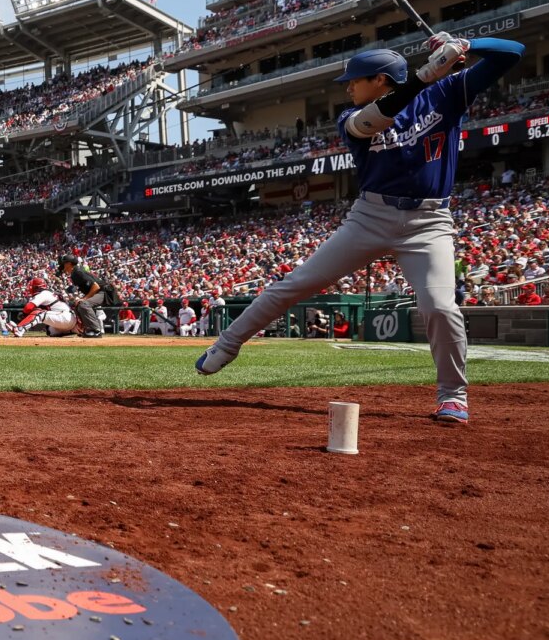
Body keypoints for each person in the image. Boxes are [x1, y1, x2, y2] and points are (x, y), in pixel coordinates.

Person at [196, 32, 525, 425]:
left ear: (381, 79)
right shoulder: (350, 118)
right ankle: (227, 345)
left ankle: (453, 396)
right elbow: (375, 119)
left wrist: (467, 44)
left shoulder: (448, 92)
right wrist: (427, 73)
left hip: (429, 222)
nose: (349, 87)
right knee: (296, 284)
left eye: (356, 80)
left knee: (439, 305)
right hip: (370, 216)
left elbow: (512, 54)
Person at [59, 255, 111, 338]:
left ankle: (96, 330)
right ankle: (86, 328)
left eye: (64, 263)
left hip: (104, 292)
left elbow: (96, 286)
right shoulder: (74, 273)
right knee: (78, 304)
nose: (63, 265)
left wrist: (84, 298)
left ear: (69, 264)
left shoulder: (78, 272)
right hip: (98, 291)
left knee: (84, 304)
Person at [11, 277, 79, 337]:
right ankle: (70, 331)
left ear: (36, 287)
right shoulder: (49, 293)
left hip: (64, 318)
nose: (30, 289)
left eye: (32, 287)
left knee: (39, 313)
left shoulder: (44, 293)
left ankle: (19, 329)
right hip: (68, 320)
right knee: (50, 331)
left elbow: (28, 308)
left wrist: (24, 314)